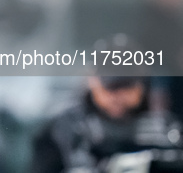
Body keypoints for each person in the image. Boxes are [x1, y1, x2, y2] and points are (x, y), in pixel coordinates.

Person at [31, 70, 183, 172]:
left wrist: (152, 161)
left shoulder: (165, 127)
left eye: (126, 88)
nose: (117, 98)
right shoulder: (69, 124)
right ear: (93, 82)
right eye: (111, 88)